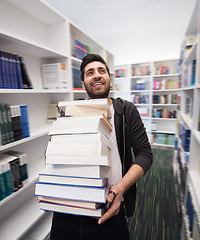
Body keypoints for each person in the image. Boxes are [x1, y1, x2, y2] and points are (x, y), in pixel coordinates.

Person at [50, 54, 153, 240]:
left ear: (109, 80)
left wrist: (121, 187)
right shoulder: (72, 112)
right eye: (90, 73)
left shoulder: (126, 110)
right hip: (69, 212)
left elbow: (145, 154)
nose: (96, 75)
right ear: (83, 83)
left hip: (110, 210)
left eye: (101, 71)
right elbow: (57, 154)